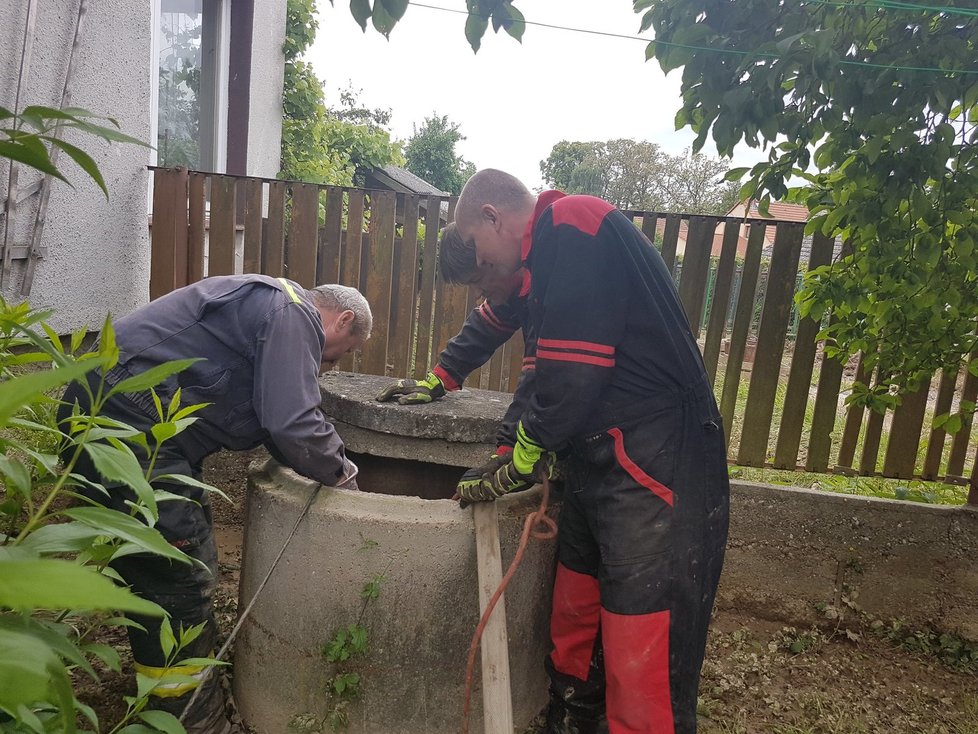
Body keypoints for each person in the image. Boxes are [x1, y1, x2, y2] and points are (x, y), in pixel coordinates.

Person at [441, 170, 730, 734]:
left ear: (493, 219)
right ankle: (575, 720)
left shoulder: (573, 223)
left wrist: (521, 454)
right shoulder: (542, 263)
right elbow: (536, 370)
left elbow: (572, 375)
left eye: (481, 258)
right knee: (577, 611)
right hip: (598, 460)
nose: (487, 278)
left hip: (656, 458)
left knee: (643, 635)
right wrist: (456, 387)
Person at [57, 275, 371, 733]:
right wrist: (344, 477)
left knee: (179, 558)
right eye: (347, 348)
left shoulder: (267, 310)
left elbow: (272, 418)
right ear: (342, 319)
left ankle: (187, 676)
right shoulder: (292, 312)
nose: (336, 362)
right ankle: (187, 719)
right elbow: (293, 422)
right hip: (125, 426)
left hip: (127, 422)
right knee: (177, 574)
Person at [377, 222, 536, 481]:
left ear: (492, 258)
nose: (478, 293)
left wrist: (509, 449)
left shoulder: (548, 285)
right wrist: (439, 378)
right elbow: (483, 330)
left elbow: (542, 377)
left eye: (477, 280)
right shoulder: (515, 286)